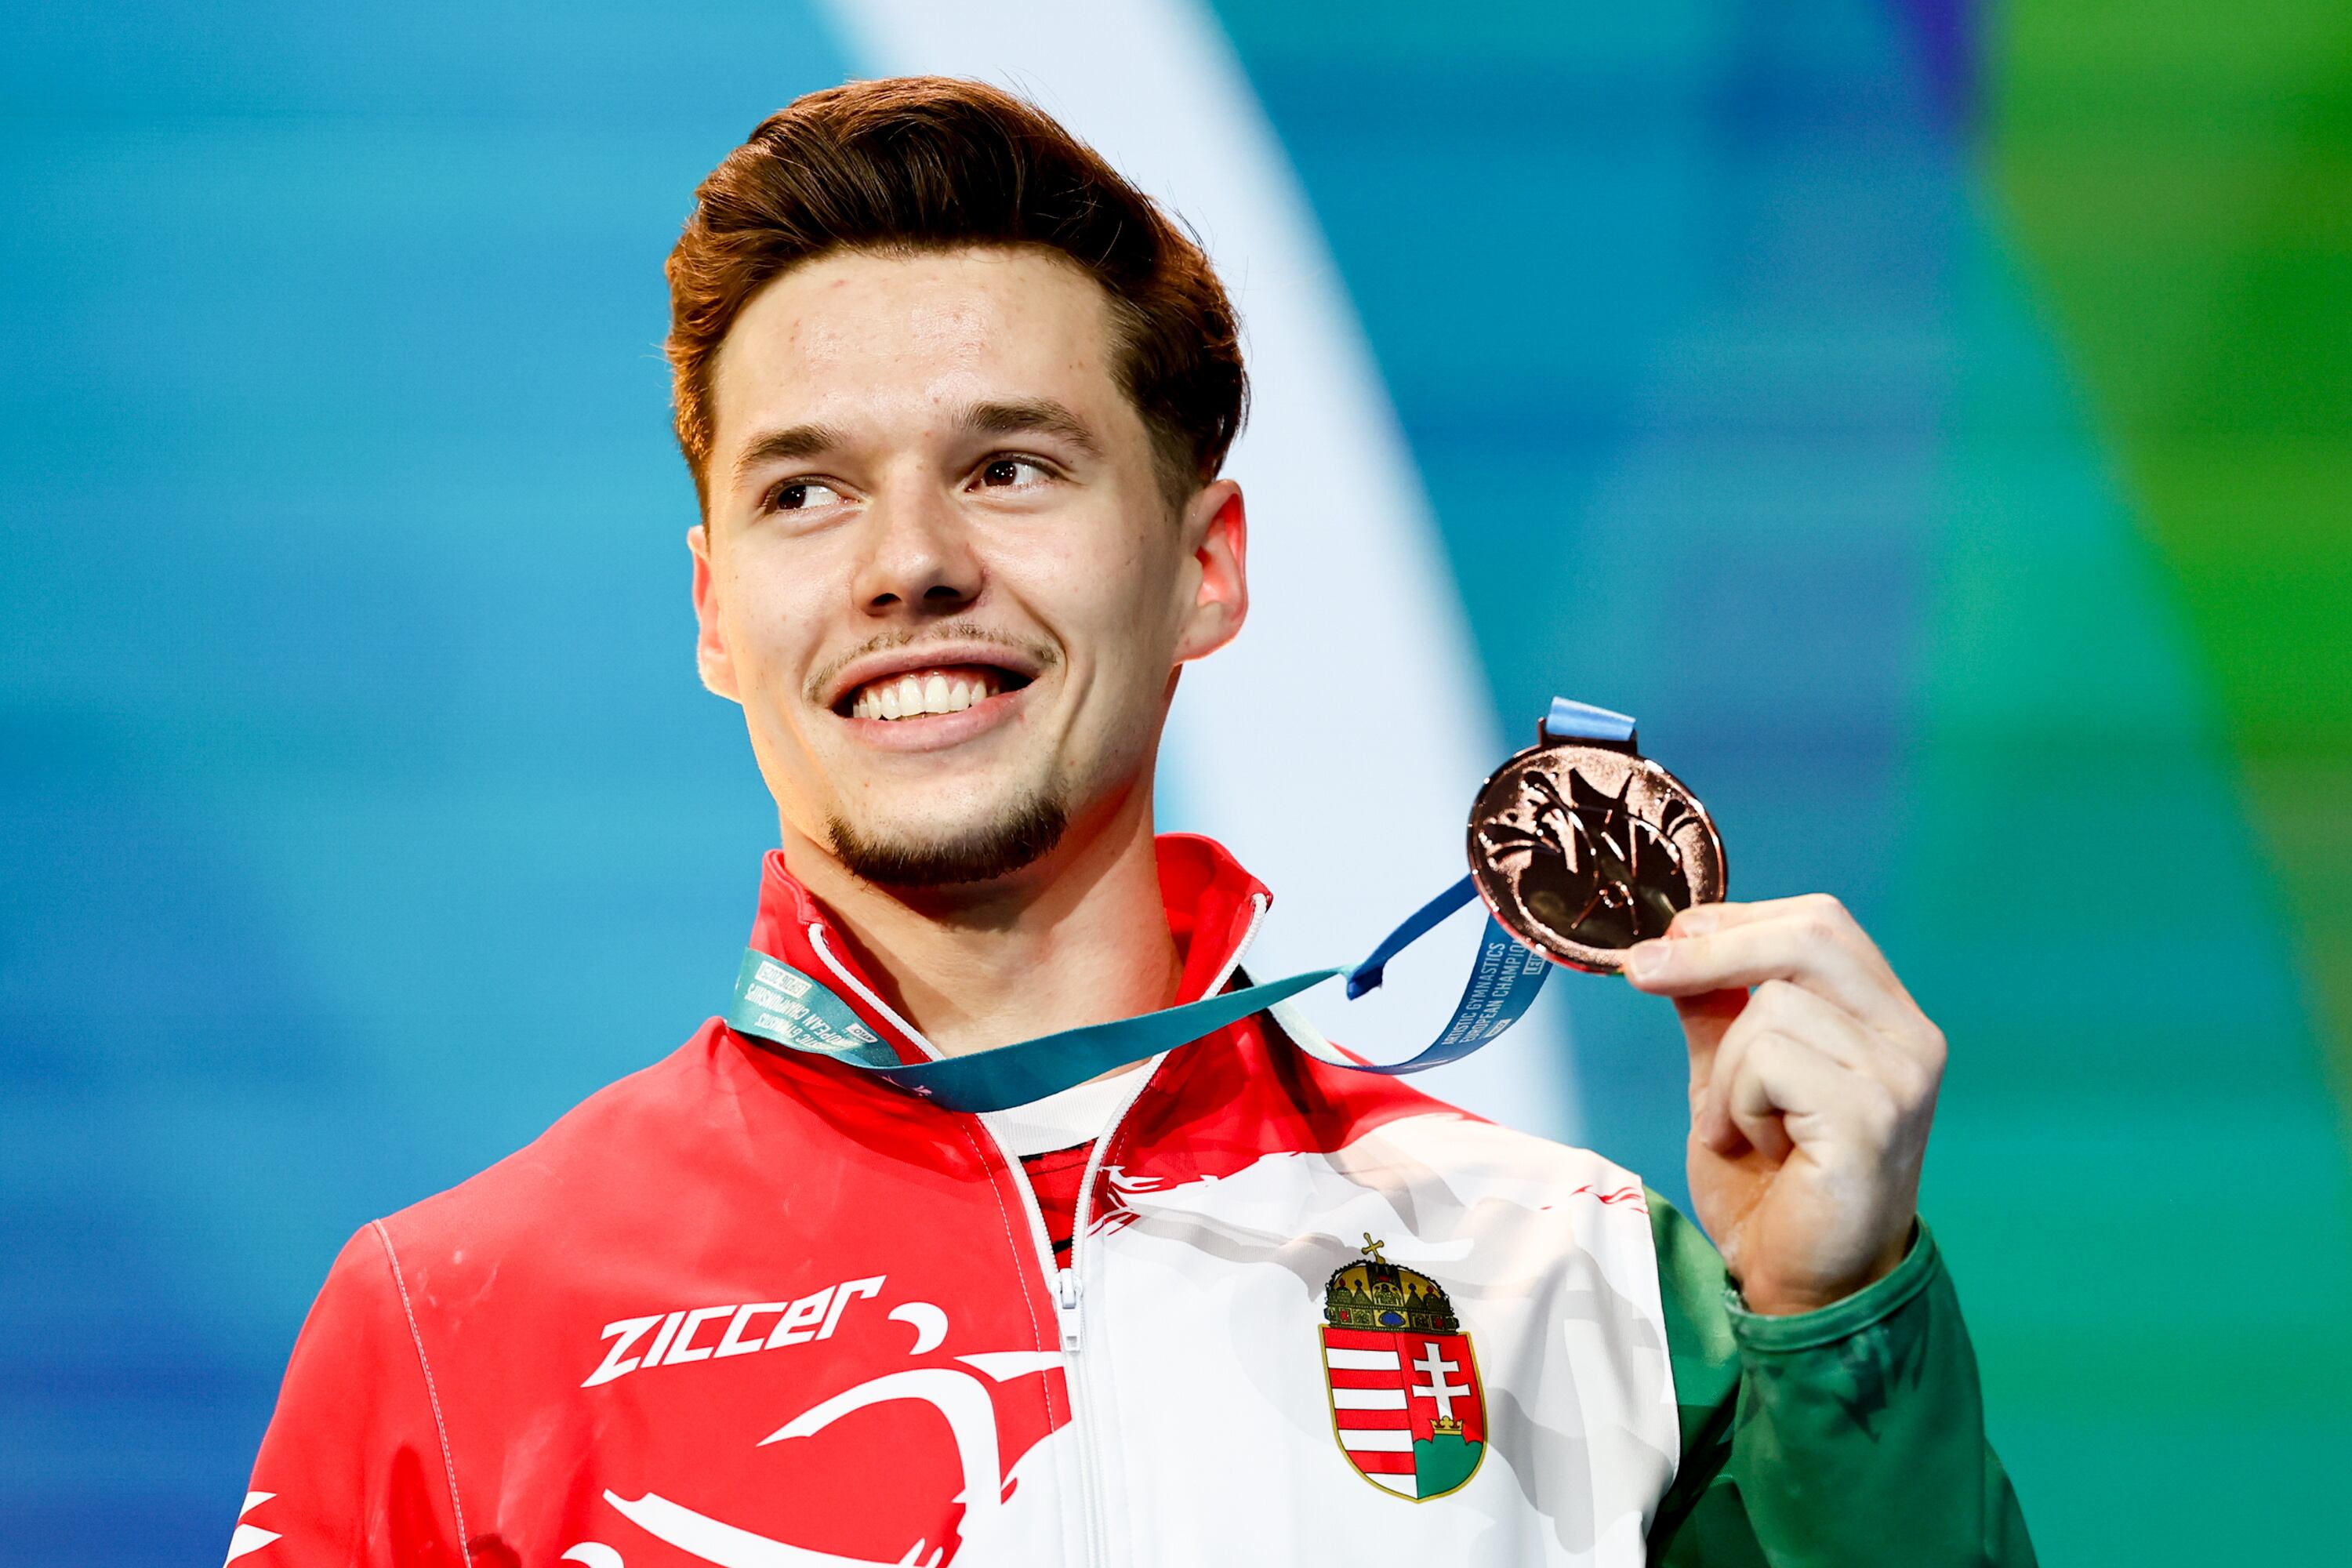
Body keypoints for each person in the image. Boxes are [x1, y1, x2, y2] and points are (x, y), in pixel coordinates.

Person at [229, 77, 2033, 1567]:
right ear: (715, 610)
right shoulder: (457, 1331)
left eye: (1010, 466)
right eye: (807, 491)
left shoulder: (1571, 1273)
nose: (911, 564)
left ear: (1206, 565)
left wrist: (1836, 1323)